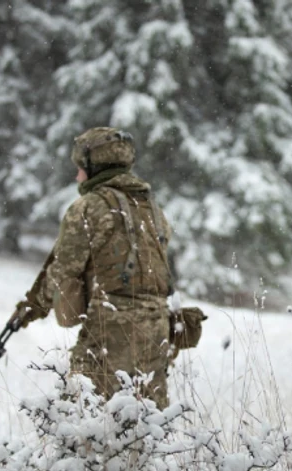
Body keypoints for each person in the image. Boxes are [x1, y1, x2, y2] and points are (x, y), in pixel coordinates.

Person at [16, 127, 176, 407]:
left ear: (94, 166)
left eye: (80, 168)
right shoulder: (152, 208)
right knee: (149, 421)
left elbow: (63, 269)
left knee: (82, 417)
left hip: (111, 326)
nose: (77, 175)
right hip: (158, 327)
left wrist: (32, 308)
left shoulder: (89, 207)